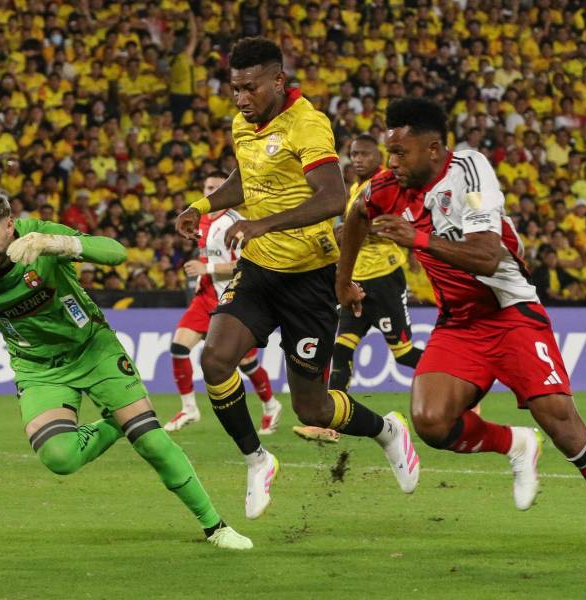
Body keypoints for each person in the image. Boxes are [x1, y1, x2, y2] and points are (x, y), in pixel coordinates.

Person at [337, 97, 586, 565]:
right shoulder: (386, 187)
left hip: (510, 313)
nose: (391, 163)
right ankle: (514, 443)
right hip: (459, 324)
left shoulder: (471, 173)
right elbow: (355, 218)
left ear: (433, 150)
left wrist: (419, 239)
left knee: (563, 425)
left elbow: (488, 256)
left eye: (400, 152)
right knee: (431, 422)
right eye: (389, 152)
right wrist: (343, 280)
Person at [0, 190, 252, 550]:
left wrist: (58, 243)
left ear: (9, 225)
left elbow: (115, 253)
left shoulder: (39, 236)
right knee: (60, 458)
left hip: (93, 348)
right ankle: (121, 422)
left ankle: (216, 527)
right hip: (38, 368)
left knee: (151, 441)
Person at [175, 37, 419, 520]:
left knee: (314, 410)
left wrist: (260, 223)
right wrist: (202, 205)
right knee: (217, 359)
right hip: (260, 270)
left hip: (309, 278)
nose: (241, 99)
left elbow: (332, 198)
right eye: (235, 89)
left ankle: (387, 430)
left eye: (250, 88)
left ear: (278, 81)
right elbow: (246, 179)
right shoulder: (243, 124)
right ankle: (257, 460)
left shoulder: (308, 123)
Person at [295, 134, 423, 444]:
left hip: (384, 281)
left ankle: (458, 378)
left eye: (364, 154)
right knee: (341, 349)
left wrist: (353, 230)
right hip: (357, 282)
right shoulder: (354, 189)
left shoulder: (386, 185)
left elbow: (395, 223)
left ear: (378, 157)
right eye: (353, 154)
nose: (357, 159)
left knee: (404, 354)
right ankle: (332, 422)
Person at [166, 172, 282, 433]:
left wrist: (205, 269)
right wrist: (203, 274)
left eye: (217, 188)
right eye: (208, 187)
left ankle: (271, 405)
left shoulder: (237, 222)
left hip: (231, 298)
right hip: (204, 296)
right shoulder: (202, 220)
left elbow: (245, 265)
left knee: (247, 364)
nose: (211, 192)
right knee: (178, 348)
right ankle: (189, 408)